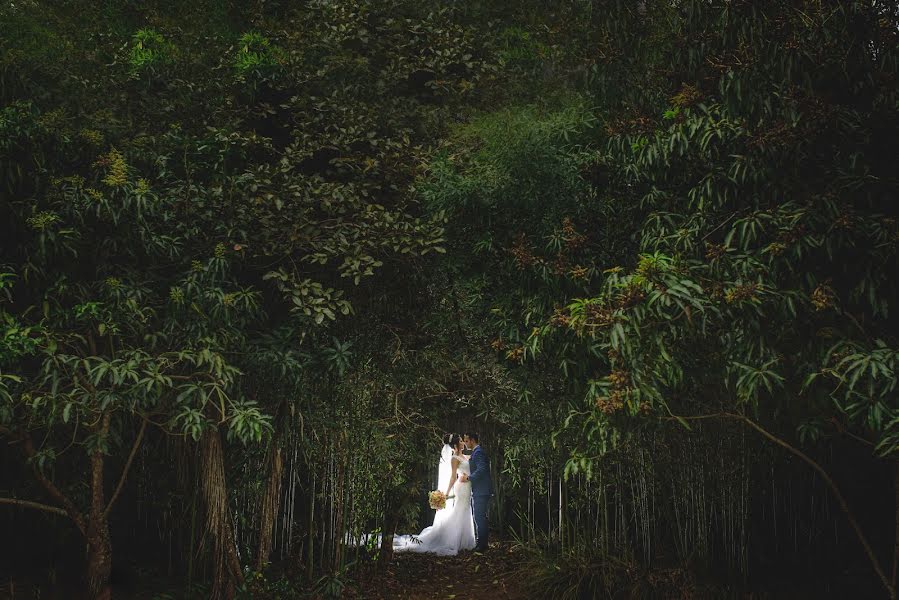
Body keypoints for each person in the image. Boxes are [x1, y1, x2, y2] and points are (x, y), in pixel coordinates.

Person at [393, 433, 476, 556]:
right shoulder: (454, 459)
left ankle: (464, 540)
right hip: (461, 487)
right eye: (461, 441)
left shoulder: (464, 456)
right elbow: (453, 476)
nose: (463, 442)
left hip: (467, 485)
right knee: (462, 509)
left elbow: (469, 467)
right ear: (456, 444)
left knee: (466, 509)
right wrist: (446, 493)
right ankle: (455, 540)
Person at [459, 432, 492, 552]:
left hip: (481, 490)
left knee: (479, 517)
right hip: (481, 490)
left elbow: (482, 469)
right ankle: (482, 543)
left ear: (472, 440)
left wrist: (468, 478)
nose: (465, 443)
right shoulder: (477, 452)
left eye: (467, 441)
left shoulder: (478, 452)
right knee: (480, 517)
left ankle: (482, 545)